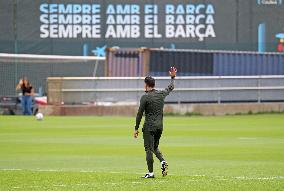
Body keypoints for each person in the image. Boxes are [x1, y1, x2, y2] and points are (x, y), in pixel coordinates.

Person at [134, 67, 177, 179]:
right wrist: (172, 77)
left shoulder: (145, 97)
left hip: (149, 127)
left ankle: (151, 173)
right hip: (159, 126)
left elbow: (139, 114)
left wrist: (136, 128)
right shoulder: (161, 94)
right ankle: (163, 161)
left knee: (148, 149)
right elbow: (171, 87)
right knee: (155, 147)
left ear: (146, 85)